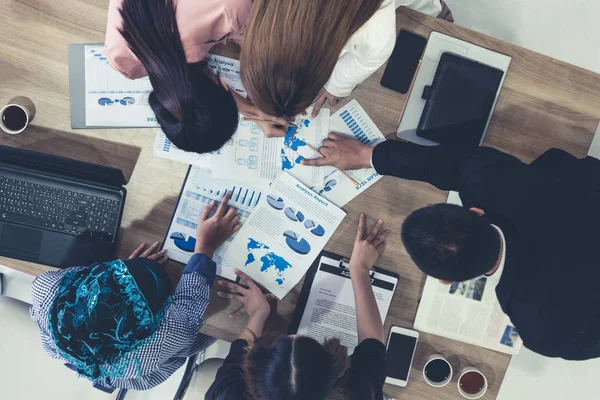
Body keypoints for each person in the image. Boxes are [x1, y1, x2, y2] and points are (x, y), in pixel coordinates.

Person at [302, 133, 600, 361]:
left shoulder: (540, 330)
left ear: (448, 281)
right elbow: (448, 163)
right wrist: (369, 155)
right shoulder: (492, 181)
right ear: (475, 213)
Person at [30, 192, 241, 391]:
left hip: (76, 346)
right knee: (211, 321)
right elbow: (189, 303)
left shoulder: (45, 288)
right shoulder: (168, 334)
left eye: (118, 272)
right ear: (157, 317)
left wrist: (122, 272)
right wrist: (205, 246)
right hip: (151, 363)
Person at [205, 214, 391, 399]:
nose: (294, 333)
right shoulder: (361, 393)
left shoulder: (227, 394)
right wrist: (360, 269)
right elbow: (373, 344)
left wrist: (259, 313)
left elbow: (238, 354)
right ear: (336, 371)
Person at [105, 0, 288, 153]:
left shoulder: (231, 9)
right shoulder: (122, 60)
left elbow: (252, 33)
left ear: (223, 83)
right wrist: (251, 109)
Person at [240, 0, 454, 120]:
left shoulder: (370, 33)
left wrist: (337, 86)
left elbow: (372, 55)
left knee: (447, 32)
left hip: (423, 10)